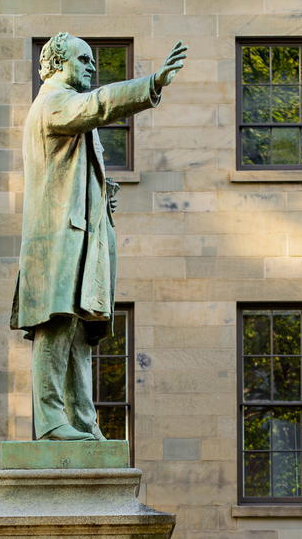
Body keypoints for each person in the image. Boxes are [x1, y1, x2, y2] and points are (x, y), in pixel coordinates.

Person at [11, 32, 187, 440]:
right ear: (57, 63)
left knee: (78, 332)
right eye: (84, 58)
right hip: (57, 241)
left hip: (81, 238)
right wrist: (151, 84)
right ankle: (53, 421)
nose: (92, 66)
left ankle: (83, 421)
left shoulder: (67, 107)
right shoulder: (55, 102)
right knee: (56, 326)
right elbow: (100, 105)